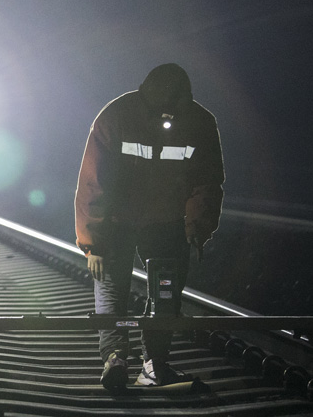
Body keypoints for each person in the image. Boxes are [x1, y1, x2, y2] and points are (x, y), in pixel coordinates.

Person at [74, 63, 224, 389]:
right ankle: (118, 357)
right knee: (121, 288)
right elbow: (94, 182)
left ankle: (145, 363)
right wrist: (94, 243)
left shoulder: (196, 122)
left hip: (164, 224)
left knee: (162, 295)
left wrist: (197, 228)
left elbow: (206, 182)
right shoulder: (118, 117)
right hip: (121, 223)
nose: (169, 115)